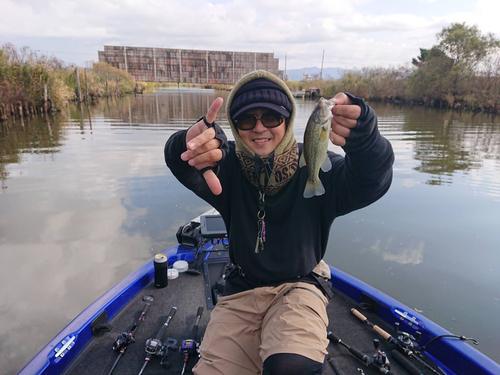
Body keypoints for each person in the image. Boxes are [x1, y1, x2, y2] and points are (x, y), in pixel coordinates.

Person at [164, 70, 394, 375]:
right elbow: (178, 160)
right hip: (240, 288)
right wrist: (189, 144)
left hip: (300, 284)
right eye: (247, 120)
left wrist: (365, 139)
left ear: (288, 120)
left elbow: (372, 181)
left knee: (291, 366)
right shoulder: (224, 164)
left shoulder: (320, 167)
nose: (259, 128)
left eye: (271, 117)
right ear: (235, 127)